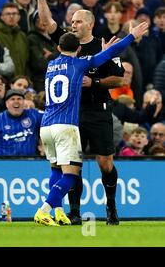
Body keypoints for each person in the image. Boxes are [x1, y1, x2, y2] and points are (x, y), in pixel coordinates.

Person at [34, 23, 148, 226]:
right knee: (71, 173)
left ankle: (60, 212)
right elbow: (112, 52)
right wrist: (131, 36)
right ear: (78, 49)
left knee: (56, 170)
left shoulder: (51, 65)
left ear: (59, 49)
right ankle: (44, 210)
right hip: (66, 126)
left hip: (46, 125)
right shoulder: (79, 64)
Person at [35, 0, 128, 225]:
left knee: (104, 162)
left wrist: (94, 83)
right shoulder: (68, 43)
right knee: (70, 163)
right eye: (71, 21)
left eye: (77, 21)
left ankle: (111, 207)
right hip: (72, 114)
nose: (72, 24)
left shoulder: (102, 45)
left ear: (89, 23)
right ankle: (74, 212)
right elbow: (46, 22)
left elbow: (119, 81)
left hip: (98, 110)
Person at [0, 89, 43, 156]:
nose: (16, 101)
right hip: (3, 163)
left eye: (19, 99)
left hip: (31, 162)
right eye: (12, 99)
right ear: (7, 104)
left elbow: (51, 120)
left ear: (24, 102)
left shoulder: (34, 115)